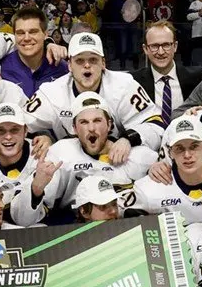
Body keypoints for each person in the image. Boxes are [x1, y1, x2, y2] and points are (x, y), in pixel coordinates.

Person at [20, 92, 157, 225]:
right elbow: (24, 220)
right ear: (74, 128)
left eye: (97, 121)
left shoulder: (139, 156)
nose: (91, 128)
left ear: (109, 124)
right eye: (84, 122)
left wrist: (161, 167)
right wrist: (36, 188)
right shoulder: (61, 154)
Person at [24, 32, 165, 160]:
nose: (87, 65)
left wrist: (128, 139)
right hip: (70, 167)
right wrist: (42, 136)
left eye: (93, 60)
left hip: (116, 162)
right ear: (69, 65)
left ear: (103, 63)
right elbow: (17, 126)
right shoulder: (51, 92)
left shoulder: (125, 86)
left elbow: (156, 125)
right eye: (79, 60)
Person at [132, 20, 202, 126]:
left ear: (175, 46)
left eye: (166, 45)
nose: (161, 52)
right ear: (145, 49)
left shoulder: (197, 77)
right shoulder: (133, 81)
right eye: (154, 46)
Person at [0, 6, 67, 97]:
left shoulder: (62, 68)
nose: (26, 38)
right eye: (20, 33)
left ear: (45, 35)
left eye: (33, 32)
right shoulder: (1, 70)